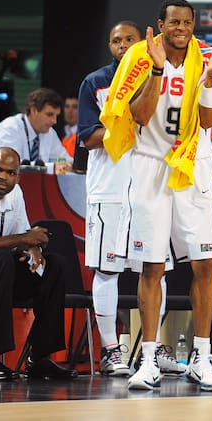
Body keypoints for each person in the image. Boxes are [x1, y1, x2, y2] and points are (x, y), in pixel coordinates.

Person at [100, 0, 212, 392]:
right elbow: (138, 115)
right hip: (150, 166)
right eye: (174, 22)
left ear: (193, 25)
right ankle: (148, 360)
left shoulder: (208, 57)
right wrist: (158, 69)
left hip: (195, 164)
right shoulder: (140, 57)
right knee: (152, 267)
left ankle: (202, 356)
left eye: (187, 22)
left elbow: (209, 120)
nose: (181, 28)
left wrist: (210, 79)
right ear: (160, 24)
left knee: (205, 263)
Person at [78, 20, 185, 378]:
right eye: (116, 40)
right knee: (107, 269)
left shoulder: (165, 77)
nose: (123, 45)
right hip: (109, 188)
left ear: (145, 42)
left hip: (152, 187)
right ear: (109, 47)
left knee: (156, 270)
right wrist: (124, 119)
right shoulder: (96, 83)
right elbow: (89, 138)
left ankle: (151, 352)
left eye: (130, 39)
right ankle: (112, 351)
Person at [0, 147, 77, 380]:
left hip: (0, 277)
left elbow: (23, 237)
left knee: (54, 265)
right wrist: (23, 239)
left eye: (10, 172)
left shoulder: (15, 193)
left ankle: (40, 358)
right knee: (1, 259)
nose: (3, 177)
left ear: (18, 176)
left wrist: (33, 248)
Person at [0, 88, 73, 167]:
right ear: (33, 110)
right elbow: (11, 165)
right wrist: (50, 167)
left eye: (56, 116)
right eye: (49, 115)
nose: (54, 121)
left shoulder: (50, 133)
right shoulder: (10, 128)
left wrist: (62, 165)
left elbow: (65, 161)